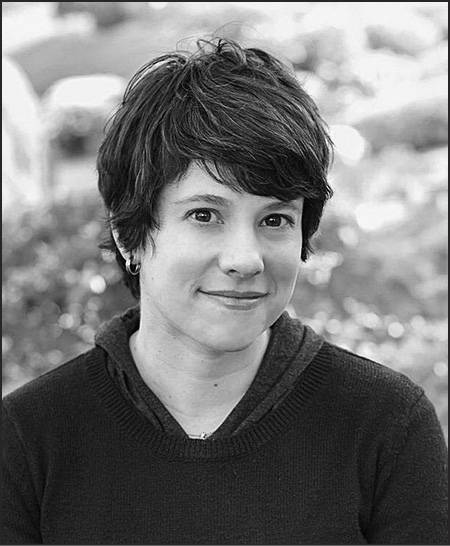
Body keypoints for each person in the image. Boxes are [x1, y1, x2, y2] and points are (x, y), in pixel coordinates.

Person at [1, 38, 447, 545]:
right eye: (205, 215)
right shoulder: (29, 440)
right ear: (129, 234)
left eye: (275, 219)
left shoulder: (387, 425)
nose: (245, 259)